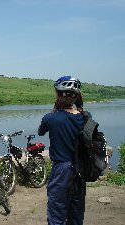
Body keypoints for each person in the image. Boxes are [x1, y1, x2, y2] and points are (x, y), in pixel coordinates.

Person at [38, 76, 86, 225]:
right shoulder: (86, 117)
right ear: (76, 96)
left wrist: (55, 109)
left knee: (57, 211)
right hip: (80, 169)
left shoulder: (50, 118)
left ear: (58, 95)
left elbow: (41, 132)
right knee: (76, 211)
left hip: (61, 170)